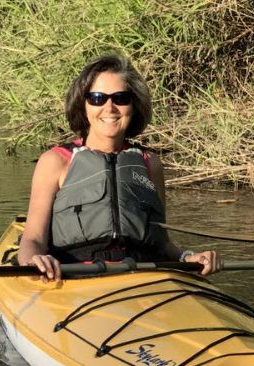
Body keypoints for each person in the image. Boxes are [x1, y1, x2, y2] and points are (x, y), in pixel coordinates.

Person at [18, 54, 222, 281]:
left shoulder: (149, 163)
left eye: (120, 98)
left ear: (134, 106)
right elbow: (33, 239)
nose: (109, 107)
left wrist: (188, 257)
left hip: (143, 277)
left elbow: (162, 243)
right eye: (97, 98)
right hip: (75, 277)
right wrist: (33, 261)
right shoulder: (56, 161)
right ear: (83, 106)